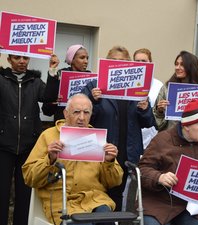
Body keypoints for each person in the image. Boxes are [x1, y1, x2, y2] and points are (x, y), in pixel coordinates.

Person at [22, 93, 123, 225]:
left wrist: (109, 162)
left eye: (86, 112)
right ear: (66, 113)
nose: (81, 117)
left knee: (107, 220)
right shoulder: (49, 136)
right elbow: (29, 177)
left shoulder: (97, 139)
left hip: (94, 199)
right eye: (76, 112)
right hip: (62, 202)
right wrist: (50, 159)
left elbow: (114, 182)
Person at [82, 45, 156, 211]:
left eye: (123, 62)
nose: (119, 65)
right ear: (107, 64)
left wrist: (144, 109)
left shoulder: (137, 88)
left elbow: (149, 122)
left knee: (121, 197)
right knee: (99, 195)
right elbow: (83, 119)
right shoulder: (95, 86)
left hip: (128, 153)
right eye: (114, 61)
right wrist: (93, 100)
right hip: (102, 152)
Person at [139, 99, 198, 225]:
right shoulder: (162, 140)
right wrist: (159, 177)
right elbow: (142, 170)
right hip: (159, 202)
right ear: (186, 126)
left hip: (194, 207)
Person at [0, 54, 46, 225]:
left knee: (25, 193)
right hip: (3, 145)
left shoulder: (36, 81)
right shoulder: (2, 79)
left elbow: (48, 99)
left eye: (25, 58)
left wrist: (53, 73)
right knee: (1, 192)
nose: (22, 61)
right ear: (9, 59)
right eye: (17, 57)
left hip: (28, 146)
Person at [153, 51, 198, 131]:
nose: (177, 67)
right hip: (170, 138)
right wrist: (160, 111)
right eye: (176, 64)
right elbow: (157, 125)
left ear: (191, 67)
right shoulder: (166, 88)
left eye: (182, 65)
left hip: (194, 138)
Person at [42, 44, 89, 122]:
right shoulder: (58, 76)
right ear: (72, 60)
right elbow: (46, 111)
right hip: (62, 125)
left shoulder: (91, 79)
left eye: (87, 58)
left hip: (84, 126)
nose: (86, 61)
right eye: (82, 58)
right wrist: (55, 102)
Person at [133, 48, 163, 149]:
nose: (141, 64)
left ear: (151, 63)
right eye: (137, 61)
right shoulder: (128, 86)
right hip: (134, 135)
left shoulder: (159, 86)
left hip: (153, 137)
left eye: (144, 61)